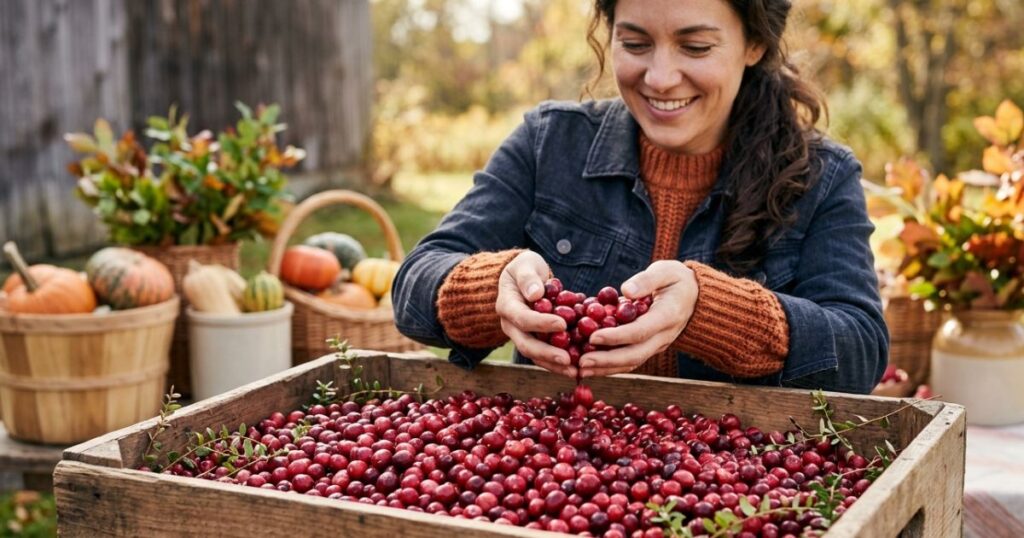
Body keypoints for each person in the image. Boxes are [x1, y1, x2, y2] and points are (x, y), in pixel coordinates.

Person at [391, 0, 888, 394]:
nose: (660, 78)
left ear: (754, 43)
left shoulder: (822, 177)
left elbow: (859, 352)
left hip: (723, 475)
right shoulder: (549, 143)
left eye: (695, 47)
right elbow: (415, 284)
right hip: (557, 468)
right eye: (634, 43)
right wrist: (490, 288)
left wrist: (710, 310)